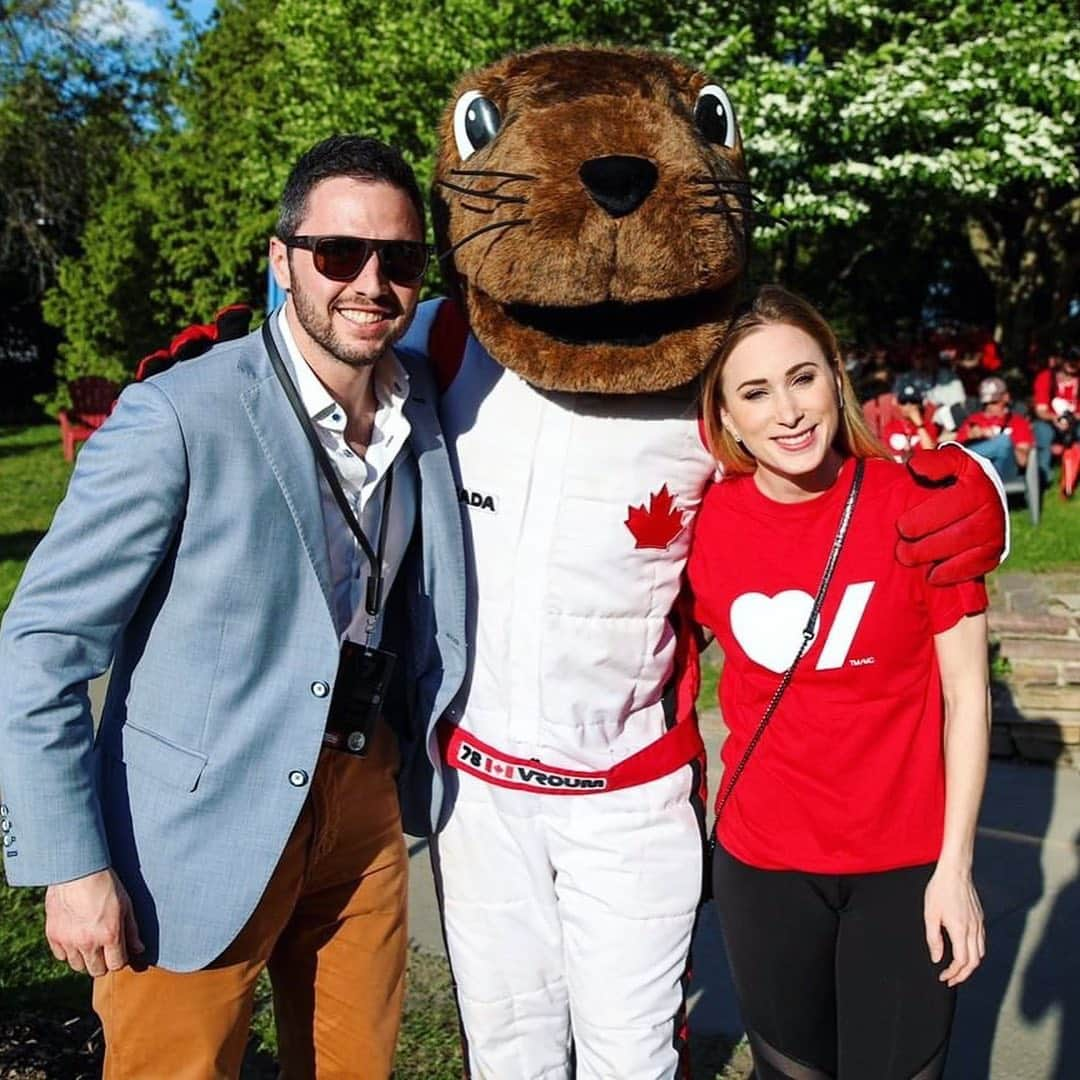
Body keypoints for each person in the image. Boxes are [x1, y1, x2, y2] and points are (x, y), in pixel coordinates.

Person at [0, 135, 466, 1078]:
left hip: (363, 797)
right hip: (193, 829)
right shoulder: (179, 416)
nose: (370, 282)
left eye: (400, 259)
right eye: (338, 253)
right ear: (282, 259)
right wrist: (71, 867)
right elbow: (42, 641)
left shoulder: (424, 415)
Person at [689, 286, 989, 1080]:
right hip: (764, 867)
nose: (786, 411)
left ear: (836, 377)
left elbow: (967, 698)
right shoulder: (707, 524)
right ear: (724, 413)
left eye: (802, 377)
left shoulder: (923, 508)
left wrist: (955, 869)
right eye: (754, 391)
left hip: (904, 867)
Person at [956, 375, 1036, 483]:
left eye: (994, 402)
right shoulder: (974, 420)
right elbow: (955, 452)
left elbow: (1023, 461)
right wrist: (970, 436)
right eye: (985, 404)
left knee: (1003, 441)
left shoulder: (1018, 422)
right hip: (976, 474)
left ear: (1006, 397)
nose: (989, 407)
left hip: (1004, 472)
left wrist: (1000, 443)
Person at [1032, 345, 1079, 482]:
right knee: (1042, 430)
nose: (1072, 363)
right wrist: (1055, 418)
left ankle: (1074, 475)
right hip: (1050, 421)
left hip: (1075, 421)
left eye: (1076, 360)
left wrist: (1072, 419)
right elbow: (1041, 410)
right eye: (1069, 360)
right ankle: (1043, 477)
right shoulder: (1045, 377)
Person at [882, 372, 938, 462]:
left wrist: (919, 425)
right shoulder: (890, 428)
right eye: (903, 401)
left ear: (919, 404)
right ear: (898, 404)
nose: (909, 405)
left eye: (913, 401)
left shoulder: (928, 426)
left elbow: (930, 453)